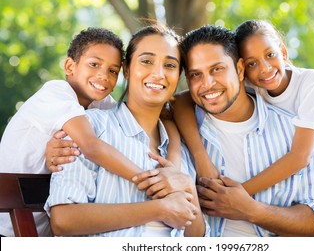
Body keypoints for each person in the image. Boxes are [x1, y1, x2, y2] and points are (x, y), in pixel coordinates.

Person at [174, 20, 314, 237]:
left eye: (217, 69)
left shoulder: (310, 84)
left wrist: (240, 199)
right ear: (245, 68)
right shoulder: (256, 85)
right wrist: (200, 156)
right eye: (196, 74)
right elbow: (179, 101)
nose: (264, 68)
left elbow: (300, 157)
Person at [0, 27, 181, 237]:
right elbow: (92, 146)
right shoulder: (56, 93)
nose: (103, 76)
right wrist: (150, 181)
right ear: (70, 65)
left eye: (112, 71)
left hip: (41, 228)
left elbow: (164, 118)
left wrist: (174, 164)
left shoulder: (99, 105)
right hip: (8, 224)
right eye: (94, 64)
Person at [44, 25, 207, 237]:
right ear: (126, 69)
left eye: (169, 65)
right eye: (147, 61)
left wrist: (187, 187)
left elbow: (198, 239)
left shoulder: (180, 150)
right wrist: (159, 209)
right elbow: (63, 220)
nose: (158, 74)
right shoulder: (92, 128)